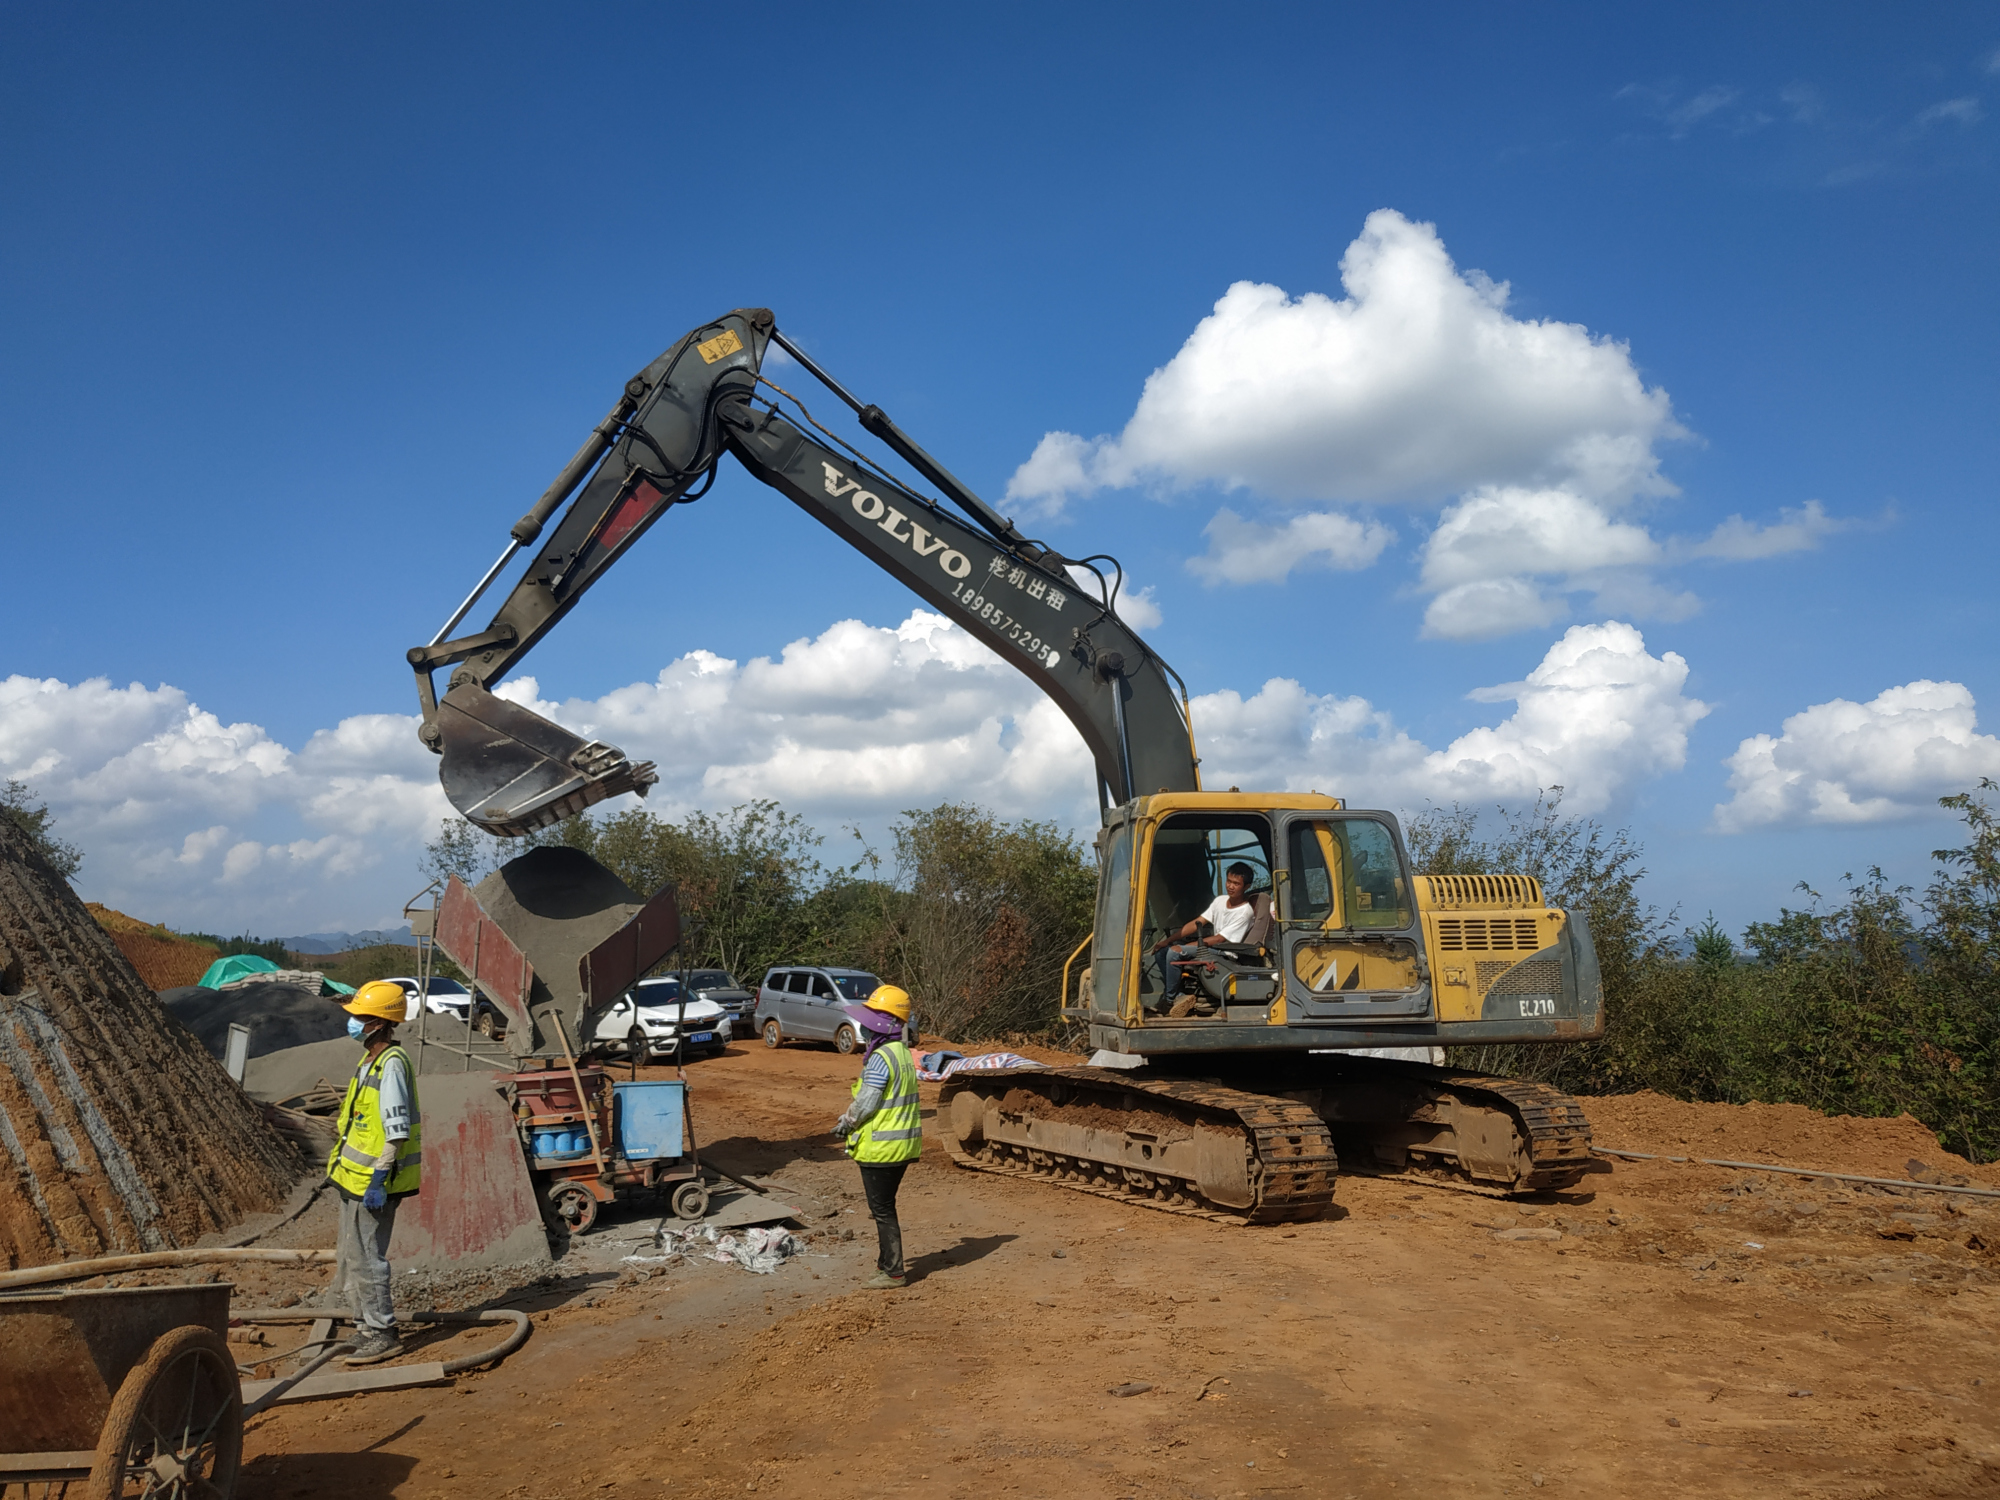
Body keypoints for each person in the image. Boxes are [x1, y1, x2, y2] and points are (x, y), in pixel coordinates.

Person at [326, 979, 423, 1365]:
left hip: (375, 1181)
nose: (354, 1023)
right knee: (352, 1257)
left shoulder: (392, 1066)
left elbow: (396, 1131)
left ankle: (383, 1332)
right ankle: (365, 1327)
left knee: (369, 1257)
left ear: (380, 1024)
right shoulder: (369, 1060)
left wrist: (380, 1178)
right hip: (353, 1179)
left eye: (361, 1018)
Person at [831, 984, 921, 1290]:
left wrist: (847, 1121)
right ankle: (886, 1264)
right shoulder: (902, 1053)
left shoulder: (881, 1057)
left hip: (882, 1149)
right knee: (885, 1206)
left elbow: (867, 1102)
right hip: (903, 1145)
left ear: (883, 1022)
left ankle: (893, 1272)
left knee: (882, 1210)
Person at [1151, 861, 1260, 1005]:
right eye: (1229, 881)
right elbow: (1198, 922)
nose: (1230, 886)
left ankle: (1171, 999)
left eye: (1236, 884)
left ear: (1246, 887)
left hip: (1226, 953)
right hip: (1211, 948)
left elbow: (1220, 939)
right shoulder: (1220, 901)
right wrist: (1167, 941)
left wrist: (1187, 947)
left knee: (1174, 953)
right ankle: (1179, 993)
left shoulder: (1244, 912)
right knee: (1162, 951)